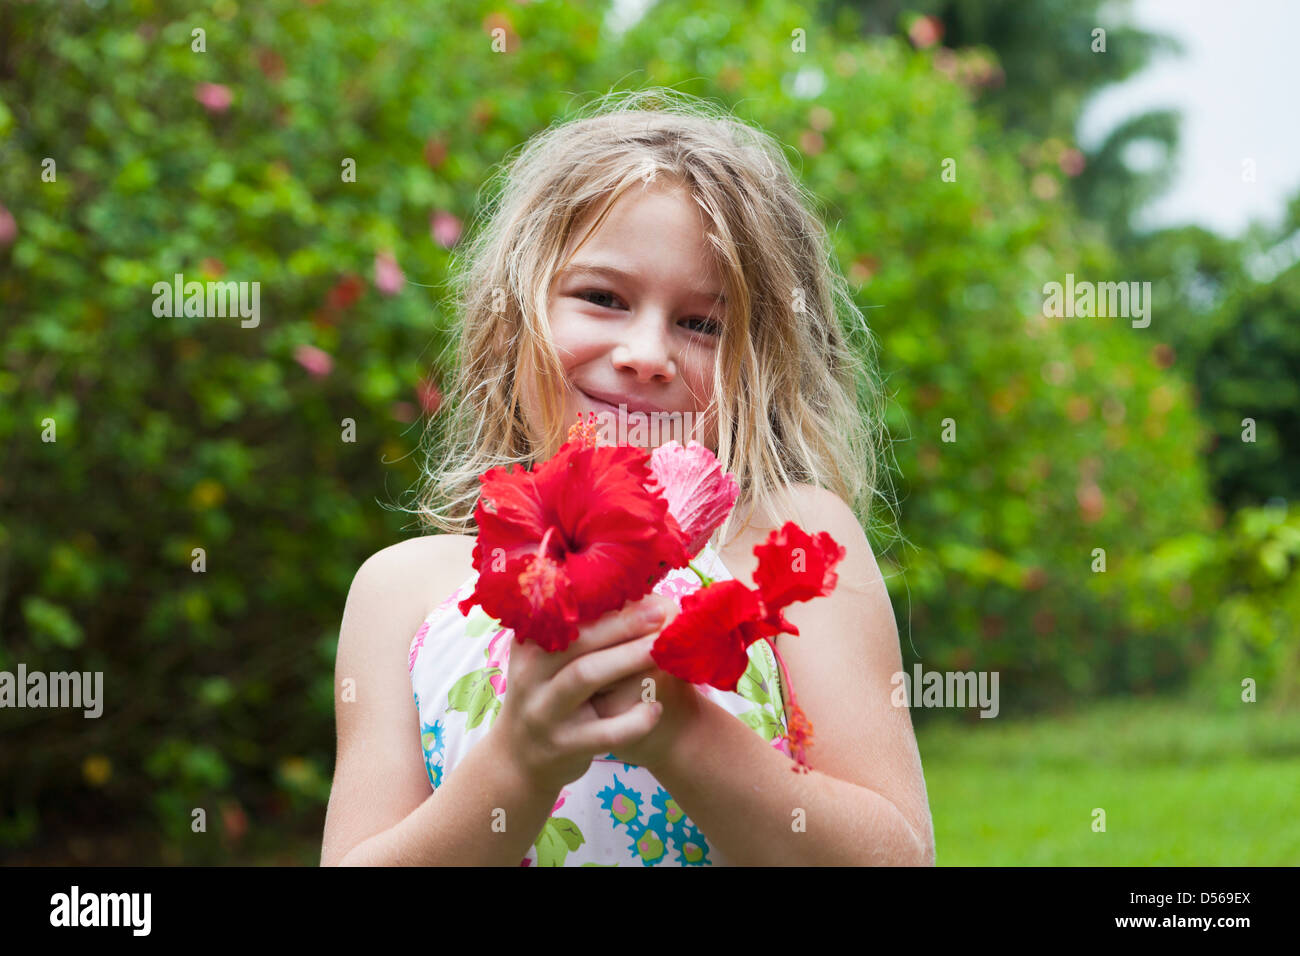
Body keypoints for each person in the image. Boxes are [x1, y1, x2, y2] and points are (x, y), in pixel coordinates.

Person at [320, 88, 934, 866]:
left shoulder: (790, 541)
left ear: (764, 363)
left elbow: (898, 857)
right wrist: (520, 762)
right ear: (512, 322)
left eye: (701, 324)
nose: (646, 352)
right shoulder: (400, 593)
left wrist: (679, 730)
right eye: (603, 298)